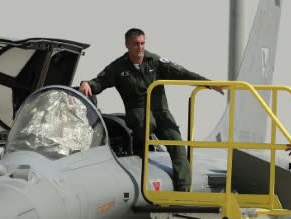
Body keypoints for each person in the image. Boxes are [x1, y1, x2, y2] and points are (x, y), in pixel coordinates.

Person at [78, 28, 223, 192]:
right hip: (137, 110)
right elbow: (100, 82)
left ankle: (183, 188)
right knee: (146, 122)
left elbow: (181, 73)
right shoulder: (118, 67)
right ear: (127, 45)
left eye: (142, 43)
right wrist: (86, 83)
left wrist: (209, 83)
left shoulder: (154, 61)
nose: (140, 48)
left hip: (161, 110)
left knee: (177, 143)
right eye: (135, 44)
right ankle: (140, 146)